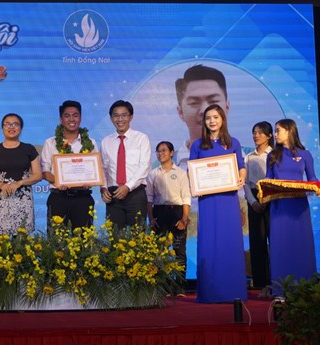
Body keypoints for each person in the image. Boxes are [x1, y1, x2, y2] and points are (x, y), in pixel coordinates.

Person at [189, 104, 247, 303]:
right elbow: (191, 171)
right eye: (208, 118)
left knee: (229, 241)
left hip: (228, 200)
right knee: (209, 242)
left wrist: (241, 177)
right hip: (207, 201)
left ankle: (234, 290)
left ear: (223, 119)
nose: (212, 121)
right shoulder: (198, 145)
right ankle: (210, 292)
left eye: (215, 117)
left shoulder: (233, 142)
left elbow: (241, 166)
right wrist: (196, 182)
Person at [266, 119, 318, 295]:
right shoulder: (272, 156)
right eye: (275, 130)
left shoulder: (305, 155)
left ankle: (305, 287)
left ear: (290, 131)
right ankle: (280, 289)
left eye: (278, 130)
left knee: (301, 245)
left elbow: (312, 178)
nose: (275, 134)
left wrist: (318, 186)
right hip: (279, 207)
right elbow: (268, 179)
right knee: (280, 245)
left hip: (299, 207)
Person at [0, 113, 42, 235]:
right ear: (2, 127)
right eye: (7, 124)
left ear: (21, 128)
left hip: (23, 200)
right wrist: (0, 185)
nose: (11, 127)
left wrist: (20, 183)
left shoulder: (29, 149)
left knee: (21, 240)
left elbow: (38, 175)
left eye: (15, 124)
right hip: (0, 200)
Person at [41, 100, 98, 231]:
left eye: (75, 115)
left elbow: (95, 171)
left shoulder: (91, 143)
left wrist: (90, 182)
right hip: (58, 198)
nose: (71, 119)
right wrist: (58, 181)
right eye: (67, 116)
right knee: (57, 239)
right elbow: (45, 172)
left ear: (80, 118)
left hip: (83, 198)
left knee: (84, 238)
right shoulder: (50, 143)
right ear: (61, 119)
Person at [146, 141, 191, 293]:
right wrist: (151, 218)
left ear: (172, 153)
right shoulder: (153, 173)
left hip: (177, 212)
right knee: (159, 251)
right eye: (158, 151)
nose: (161, 153)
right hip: (159, 212)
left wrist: (184, 218)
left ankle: (180, 286)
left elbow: (186, 197)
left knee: (179, 250)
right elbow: (149, 199)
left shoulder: (180, 173)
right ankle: (161, 286)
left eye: (164, 150)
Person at [100, 100, 151, 230]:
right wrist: (103, 188)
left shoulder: (141, 138)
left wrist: (128, 187)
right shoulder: (106, 141)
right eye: (116, 115)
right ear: (111, 118)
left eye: (124, 115)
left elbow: (144, 166)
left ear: (131, 117)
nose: (120, 119)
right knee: (115, 237)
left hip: (135, 193)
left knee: (137, 235)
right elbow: (103, 169)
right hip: (113, 195)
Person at [174, 64, 230, 169]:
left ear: (227, 107)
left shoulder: (248, 157)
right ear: (181, 112)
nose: (205, 110)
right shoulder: (165, 163)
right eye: (194, 103)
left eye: (213, 101)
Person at [243, 121, 273, 298]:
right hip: (254, 199)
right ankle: (261, 283)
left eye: (260, 133)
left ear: (269, 136)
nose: (256, 135)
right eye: (254, 132)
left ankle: (276, 282)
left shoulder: (274, 155)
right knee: (257, 242)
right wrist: (253, 202)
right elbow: (245, 184)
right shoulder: (248, 157)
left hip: (272, 197)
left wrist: (267, 199)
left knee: (274, 240)